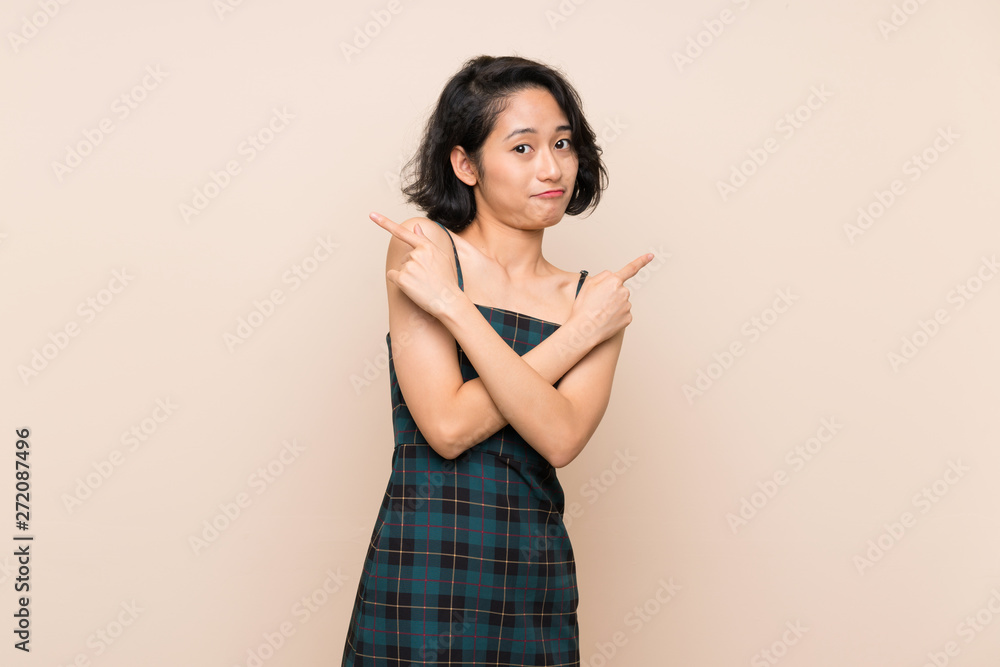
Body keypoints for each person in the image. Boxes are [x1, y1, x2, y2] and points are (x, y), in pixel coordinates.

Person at [342, 54, 653, 666]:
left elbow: (561, 437)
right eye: (522, 148)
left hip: (532, 578)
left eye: (562, 143)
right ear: (466, 164)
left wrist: (455, 310)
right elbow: (447, 426)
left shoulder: (592, 298)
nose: (551, 167)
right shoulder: (427, 249)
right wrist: (575, 336)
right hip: (422, 568)